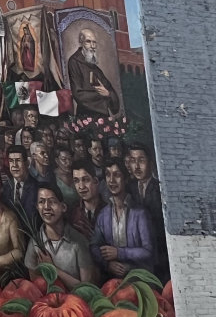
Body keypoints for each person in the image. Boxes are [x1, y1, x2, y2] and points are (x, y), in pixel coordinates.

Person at [24, 184, 97, 290]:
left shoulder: (79, 242)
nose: (46, 207)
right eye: (41, 202)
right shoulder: (35, 242)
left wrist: (53, 268)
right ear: (37, 207)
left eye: (52, 201)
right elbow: (35, 285)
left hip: (76, 302)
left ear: (63, 207)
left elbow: (86, 289)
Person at [91, 160, 154, 280]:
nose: (111, 180)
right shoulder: (103, 215)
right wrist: (108, 264)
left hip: (140, 279)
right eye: (108, 175)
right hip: (113, 280)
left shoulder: (140, 213)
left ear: (125, 179)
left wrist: (119, 253)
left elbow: (148, 251)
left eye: (117, 175)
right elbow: (94, 246)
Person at [125, 141, 168, 281]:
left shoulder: (160, 189)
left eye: (141, 160)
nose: (136, 166)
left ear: (150, 162)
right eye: (133, 161)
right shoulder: (128, 188)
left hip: (160, 255)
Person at [67, 28, 121, 117]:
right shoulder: (74, 62)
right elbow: (78, 94)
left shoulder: (95, 67)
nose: (92, 46)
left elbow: (108, 89)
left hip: (103, 117)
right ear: (81, 41)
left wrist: (108, 94)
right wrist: (102, 96)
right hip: (86, 116)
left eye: (94, 42)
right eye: (88, 41)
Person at [4, 146, 39, 231]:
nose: (14, 165)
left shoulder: (37, 188)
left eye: (18, 160)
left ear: (27, 163)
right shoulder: (5, 187)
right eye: (11, 161)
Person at [70, 165, 103, 239]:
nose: (81, 187)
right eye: (76, 181)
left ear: (96, 181)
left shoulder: (108, 210)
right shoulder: (72, 213)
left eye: (85, 180)